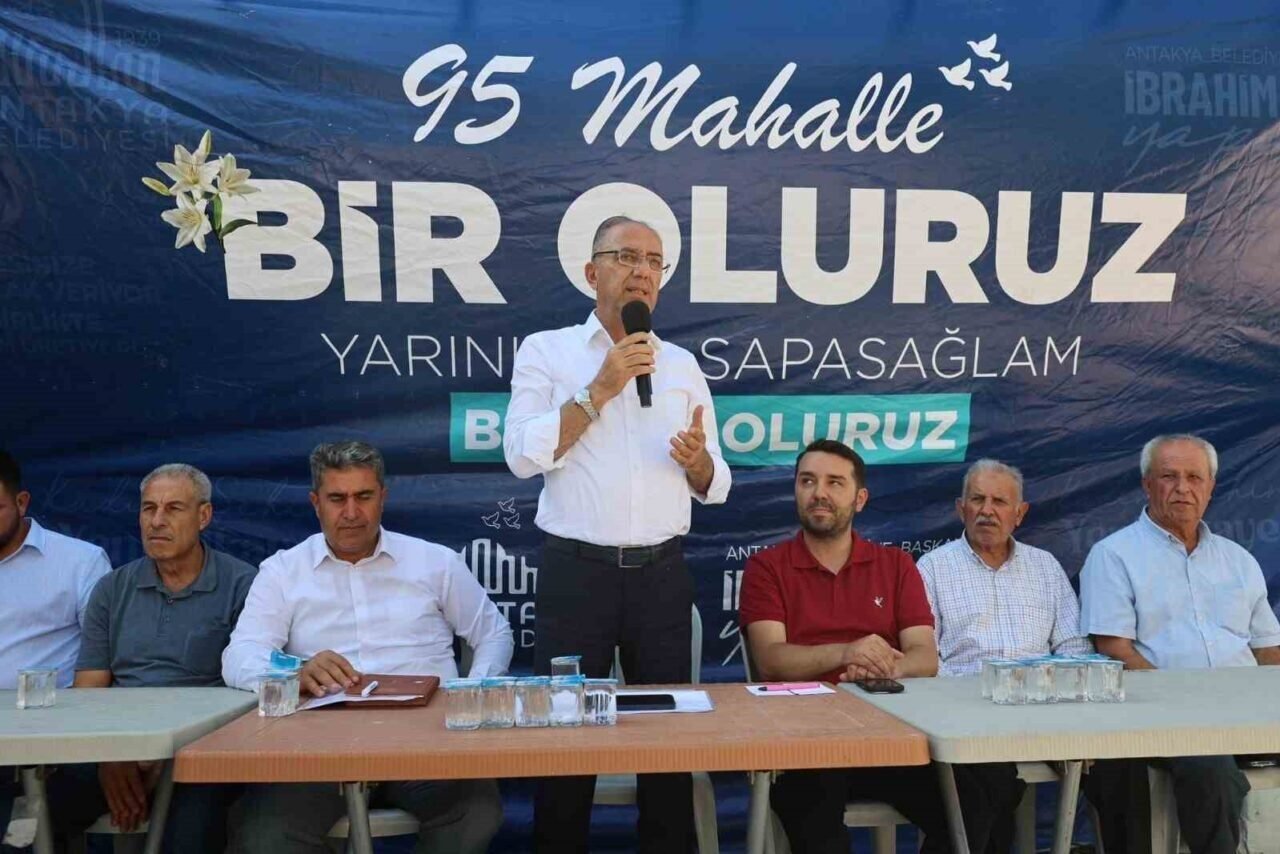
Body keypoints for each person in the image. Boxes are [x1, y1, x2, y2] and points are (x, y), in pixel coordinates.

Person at [503, 215, 731, 854]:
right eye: (627, 256)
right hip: (578, 578)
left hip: (661, 577)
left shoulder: (681, 364)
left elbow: (718, 480)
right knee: (565, 750)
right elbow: (520, 455)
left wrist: (698, 462)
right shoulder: (547, 352)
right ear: (591, 272)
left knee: (667, 751)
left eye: (654, 262)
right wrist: (599, 389)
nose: (642, 272)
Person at [223, 441, 511, 854]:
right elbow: (239, 655)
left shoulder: (434, 562)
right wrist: (295, 671)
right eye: (337, 499)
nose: (351, 512)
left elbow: (494, 634)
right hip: (318, 751)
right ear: (315, 503)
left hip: (427, 744)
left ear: (383, 497)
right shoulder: (283, 571)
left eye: (363, 496)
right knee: (263, 837)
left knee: (475, 813)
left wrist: (473, 693)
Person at [738, 439, 953, 854]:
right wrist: (846, 652)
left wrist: (883, 667)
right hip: (804, 743)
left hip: (890, 736)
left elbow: (925, 657)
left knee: (982, 793)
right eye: (807, 481)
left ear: (860, 499)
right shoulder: (767, 567)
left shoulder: (895, 565)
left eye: (834, 482)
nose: (819, 492)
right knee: (819, 828)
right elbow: (771, 660)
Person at [1080, 434, 1280, 854]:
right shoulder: (1113, 555)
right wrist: (1184, 707)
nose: (1183, 488)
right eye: (1169, 477)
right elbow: (1115, 650)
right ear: (1147, 484)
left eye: (1194, 477)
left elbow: (1268, 649)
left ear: (1211, 487)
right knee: (1212, 770)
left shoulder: (1237, 560)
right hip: (1166, 721)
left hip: (1247, 713)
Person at [48, 464, 257, 852]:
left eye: (173, 508)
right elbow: (88, 691)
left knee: (190, 833)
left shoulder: (243, 585)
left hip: (202, 750)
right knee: (40, 813)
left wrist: (168, 751)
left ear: (204, 516)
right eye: (148, 508)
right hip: (118, 745)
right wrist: (112, 755)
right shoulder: (112, 588)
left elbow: (249, 696)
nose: (157, 521)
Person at [917, 458, 1092, 853]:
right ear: (960, 508)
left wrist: (1047, 692)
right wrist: (978, 698)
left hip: (1043, 714)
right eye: (977, 499)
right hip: (967, 716)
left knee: (1119, 769)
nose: (987, 510)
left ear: (1020, 513)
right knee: (988, 781)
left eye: (999, 501)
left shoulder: (1044, 567)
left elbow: (1074, 648)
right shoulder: (933, 568)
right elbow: (926, 658)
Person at [0, 449, 110, 845]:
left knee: (20, 831)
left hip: (54, 745)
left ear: (22, 502)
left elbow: (105, 664)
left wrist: (64, 739)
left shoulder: (79, 562)